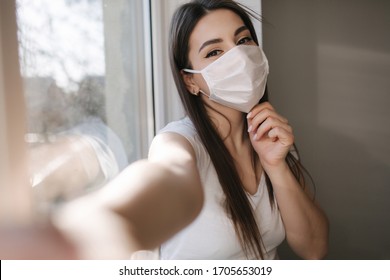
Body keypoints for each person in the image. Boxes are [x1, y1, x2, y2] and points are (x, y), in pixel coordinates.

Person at [5, 0, 327, 260]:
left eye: (243, 40)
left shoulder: (273, 139)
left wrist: (276, 165)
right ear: (190, 80)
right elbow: (169, 177)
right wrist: (91, 231)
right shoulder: (179, 141)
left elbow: (314, 250)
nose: (239, 57)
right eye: (214, 52)